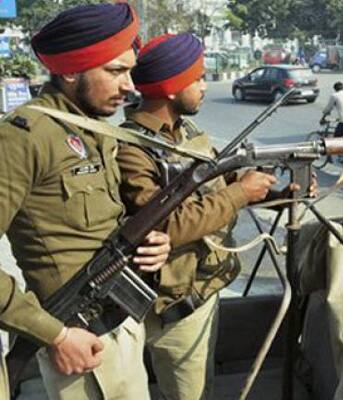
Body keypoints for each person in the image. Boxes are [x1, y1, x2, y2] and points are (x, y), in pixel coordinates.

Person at [117, 33, 317, 399]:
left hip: (203, 288)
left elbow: (222, 181)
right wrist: (241, 192)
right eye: (196, 78)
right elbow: (166, 224)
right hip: (170, 302)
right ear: (172, 87)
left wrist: (274, 195)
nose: (204, 85)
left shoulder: (189, 133)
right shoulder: (132, 149)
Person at [0, 3, 172, 399]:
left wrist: (151, 245)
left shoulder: (96, 131)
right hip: (76, 338)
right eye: (115, 71)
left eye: (129, 70)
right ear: (71, 70)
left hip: (121, 320)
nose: (130, 85)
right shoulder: (24, 137)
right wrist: (55, 334)